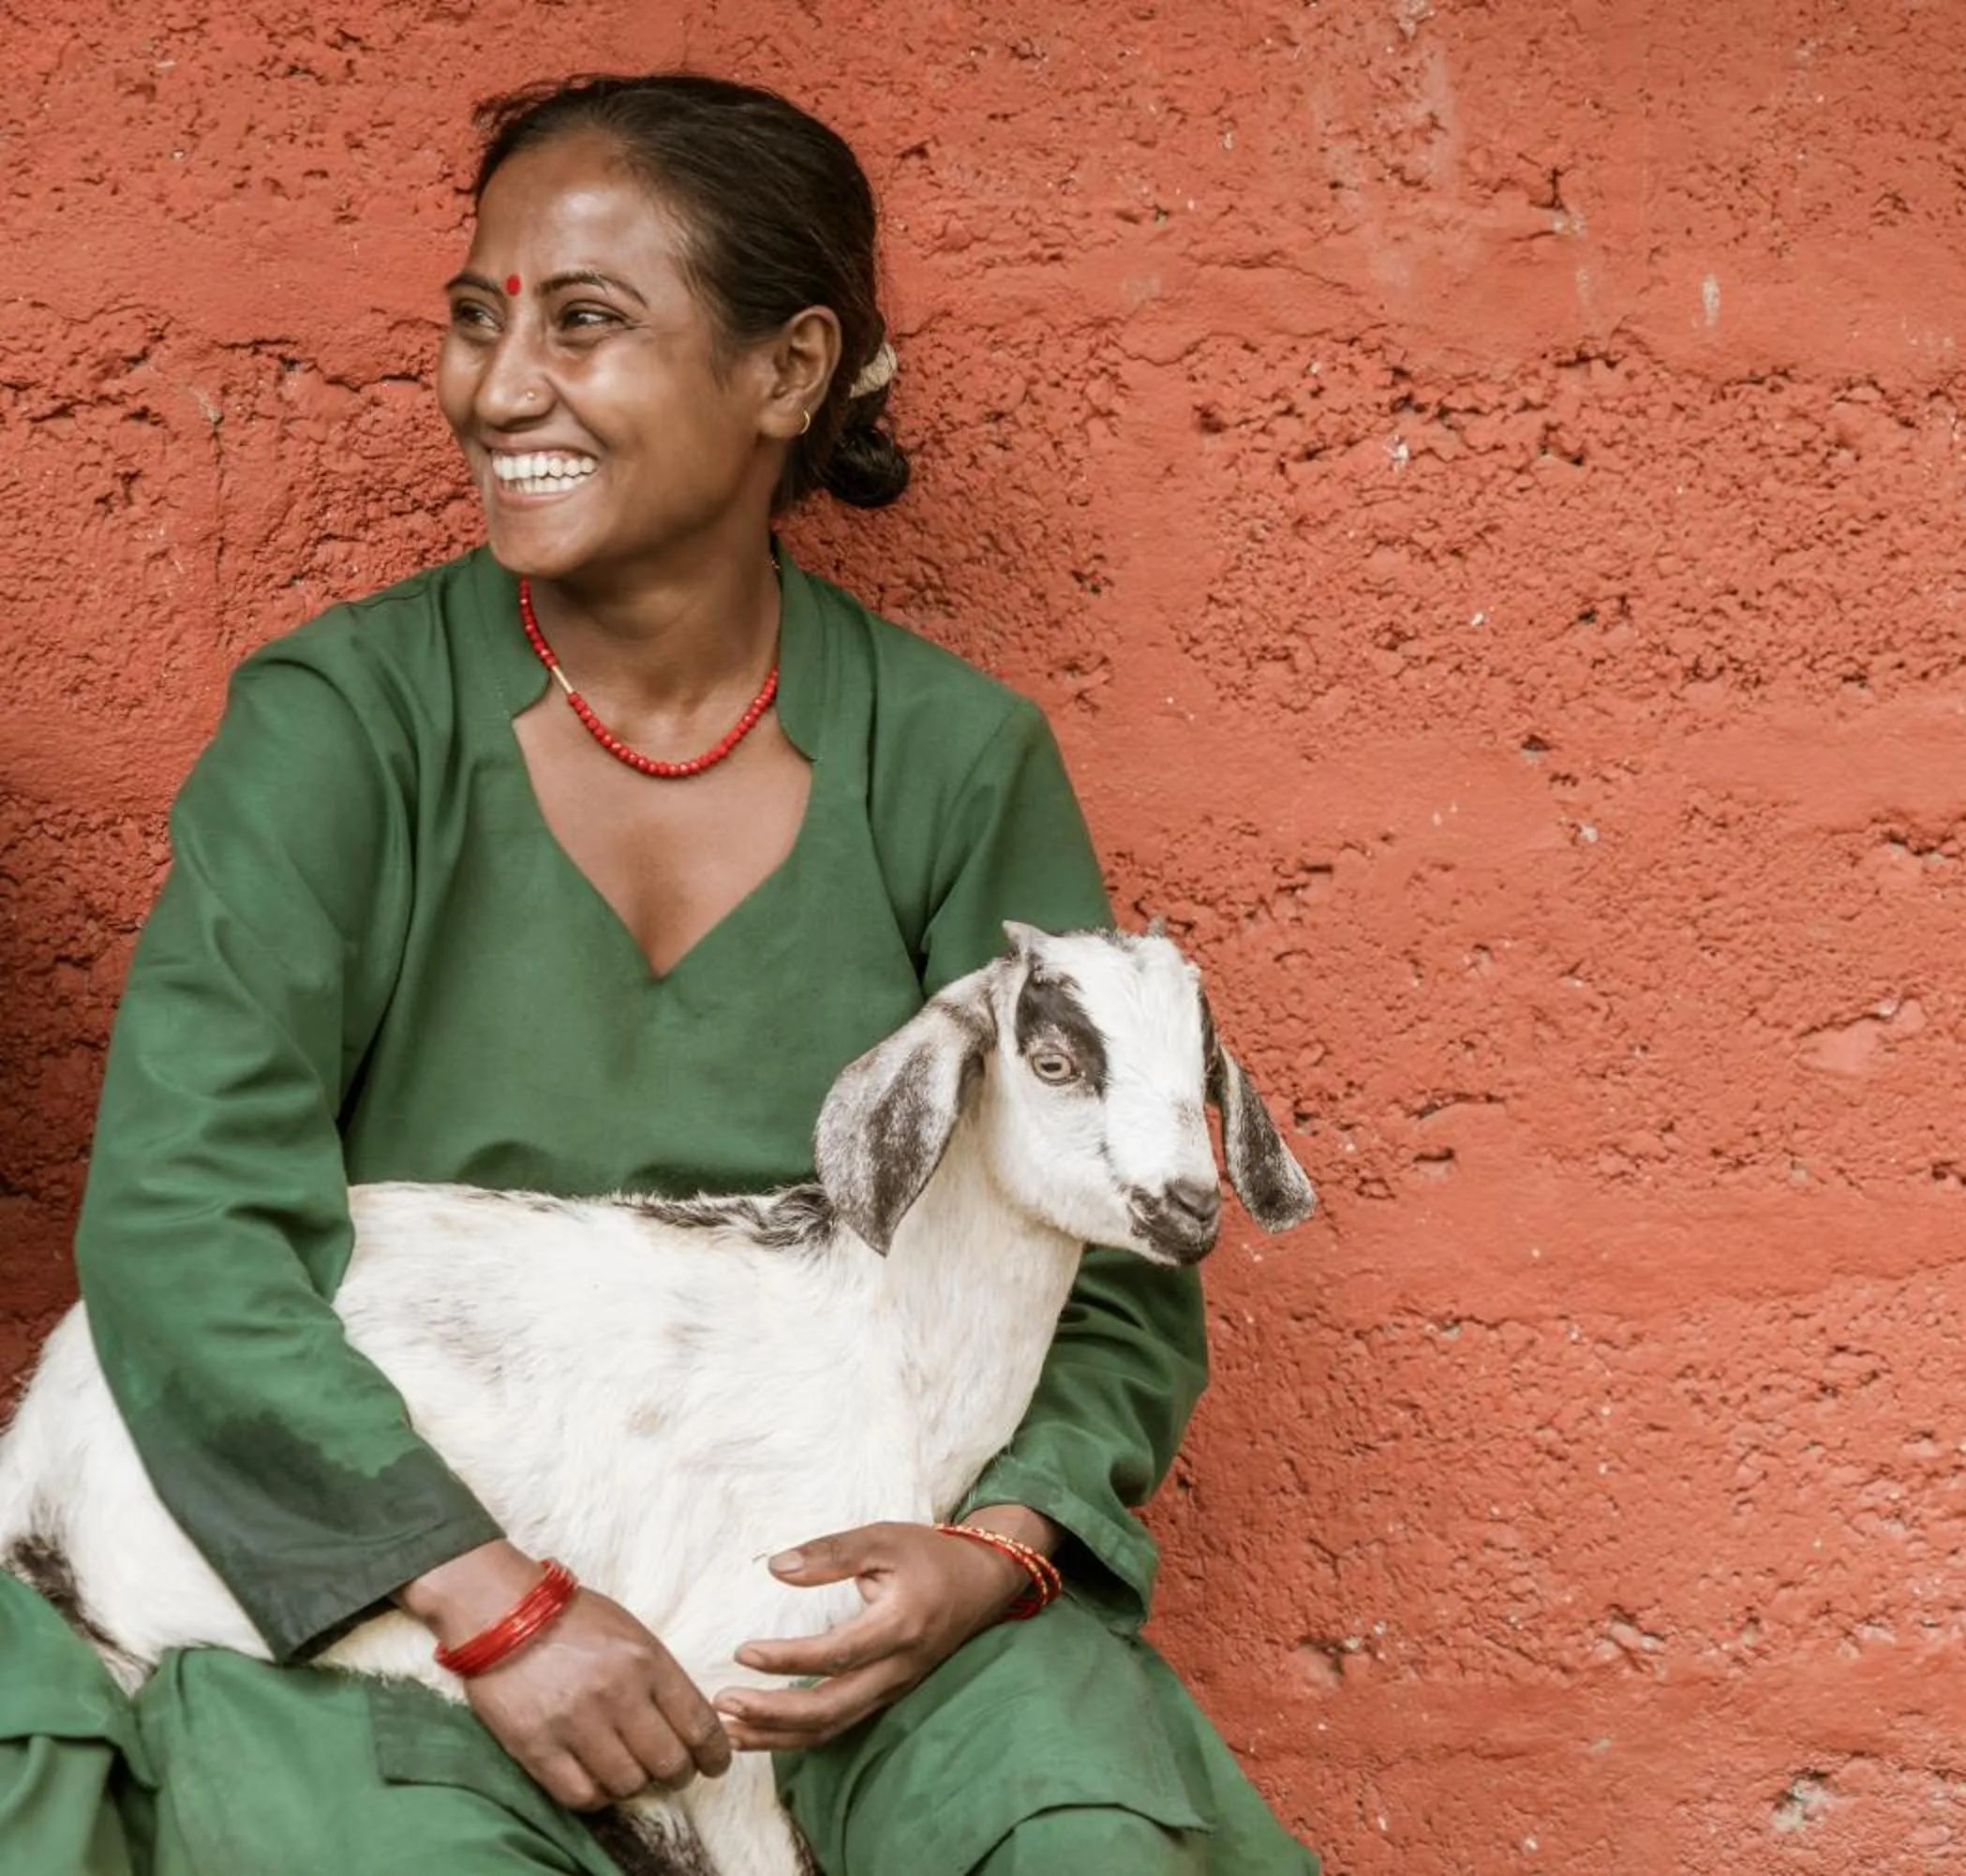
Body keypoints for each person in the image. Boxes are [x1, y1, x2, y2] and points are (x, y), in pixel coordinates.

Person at [0, 72, 1317, 1876]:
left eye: (586, 322)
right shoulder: (342, 731)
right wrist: (492, 1602)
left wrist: (997, 1547)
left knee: (1076, 1829)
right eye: (479, 317)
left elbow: (1109, 1233)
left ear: (787, 373)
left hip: (827, 1619)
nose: (501, 383)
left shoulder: (952, 759)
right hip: (388, 1585)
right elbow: (183, 1221)